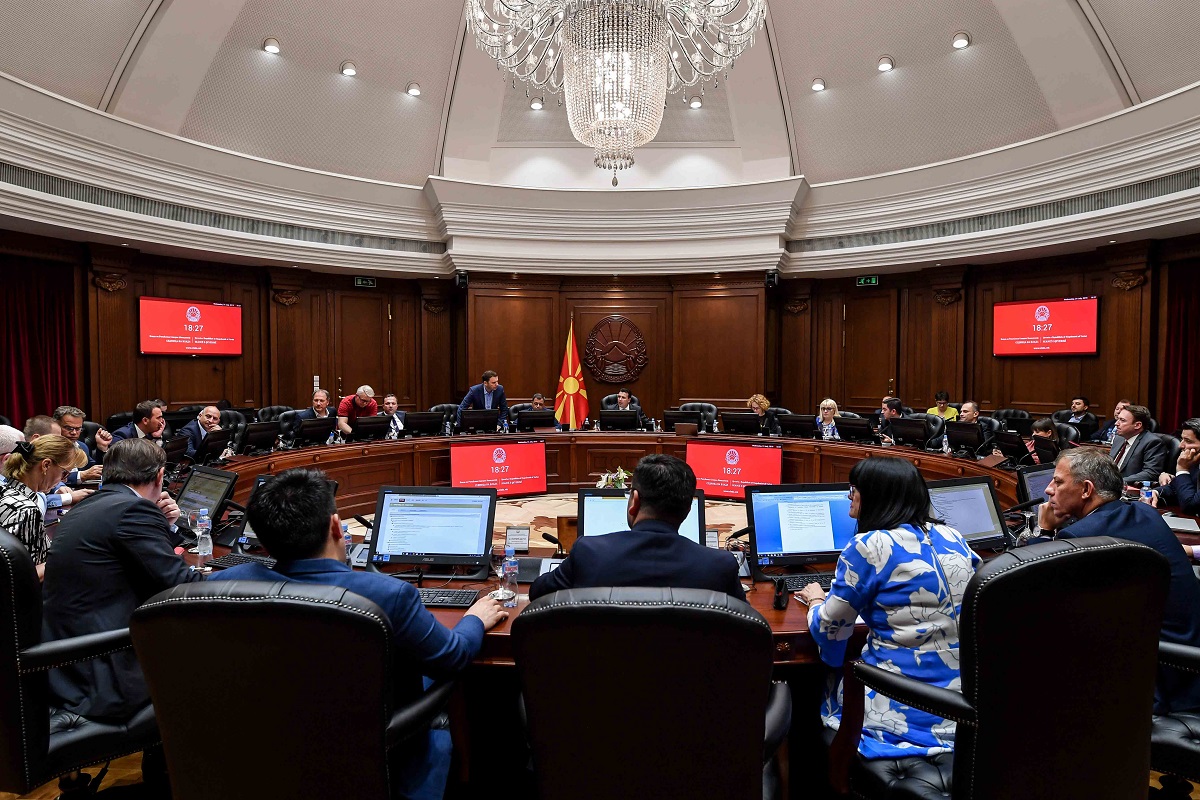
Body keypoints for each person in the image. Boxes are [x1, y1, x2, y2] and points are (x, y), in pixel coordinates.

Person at [209, 468, 508, 800]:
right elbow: (452, 657)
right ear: (337, 526)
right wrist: (475, 619)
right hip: (368, 741)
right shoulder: (388, 594)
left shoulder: (222, 585)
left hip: (262, 738)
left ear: (263, 540)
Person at [797, 457, 980, 758]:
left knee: (810, 682)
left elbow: (831, 631)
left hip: (903, 706)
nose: (850, 497)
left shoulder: (868, 546)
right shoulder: (953, 536)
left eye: (853, 489)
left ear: (874, 496)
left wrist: (816, 600)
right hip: (965, 704)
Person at [42, 438, 202, 720]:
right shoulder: (133, 510)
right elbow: (182, 587)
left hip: (66, 666)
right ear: (160, 476)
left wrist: (163, 526)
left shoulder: (90, 505)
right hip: (106, 673)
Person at [1039, 448, 1200, 713]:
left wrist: (1045, 533)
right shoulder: (1144, 511)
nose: (1048, 490)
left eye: (1057, 482)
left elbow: (1038, 591)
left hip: (1161, 677)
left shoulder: (1081, 536)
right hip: (1188, 654)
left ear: (1086, 489)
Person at [529, 454, 743, 601]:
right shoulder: (719, 565)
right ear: (688, 509)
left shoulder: (589, 552)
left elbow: (537, 593)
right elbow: (747, 623)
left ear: (635, 501)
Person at [0, 435, 87, 579]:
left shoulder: (4, 490)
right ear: (46, 465)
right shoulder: (27, 510)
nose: (64, 480)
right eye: (64, 473)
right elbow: (25, 577)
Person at [1148, 417, 1200, 518]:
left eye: (1188, 441)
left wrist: (1182, 469)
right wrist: (1156, 492)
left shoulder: (1187, 464)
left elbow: (1190, 506)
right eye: (1182, 439)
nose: (1180, 446)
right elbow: (1179, 489)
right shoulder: (1195, 462)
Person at [1109, 403, 1167, 484]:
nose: (1116, 423)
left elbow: (1150, 473)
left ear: (1137, 425)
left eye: (1122, 420)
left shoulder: (1152, 442)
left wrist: (1118, 482)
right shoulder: (1119, 438)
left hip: (1128, 487)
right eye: (1118, 419)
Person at [53, 405, 109, 482]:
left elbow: (94, 470)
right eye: (69, 428)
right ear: (56, 425)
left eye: (78, 429)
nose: (74, 433)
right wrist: (81, 475)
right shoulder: (49, 448)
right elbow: (48, 477)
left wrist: (102, 447)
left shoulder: (82, 446)